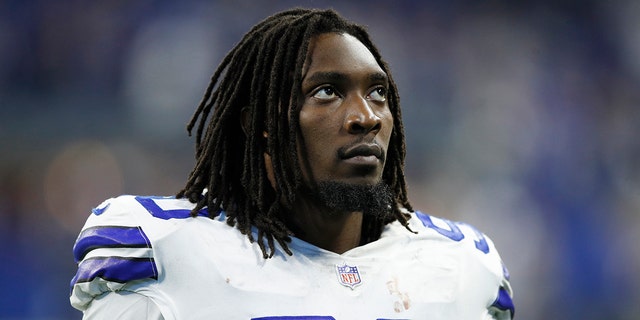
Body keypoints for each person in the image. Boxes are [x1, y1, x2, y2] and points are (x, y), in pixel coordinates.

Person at [70, 8, 514, 319]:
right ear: (261, 124)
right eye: (327, 92)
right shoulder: (169, 255)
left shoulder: (459, 267)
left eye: (378, 92)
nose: (366, 116)